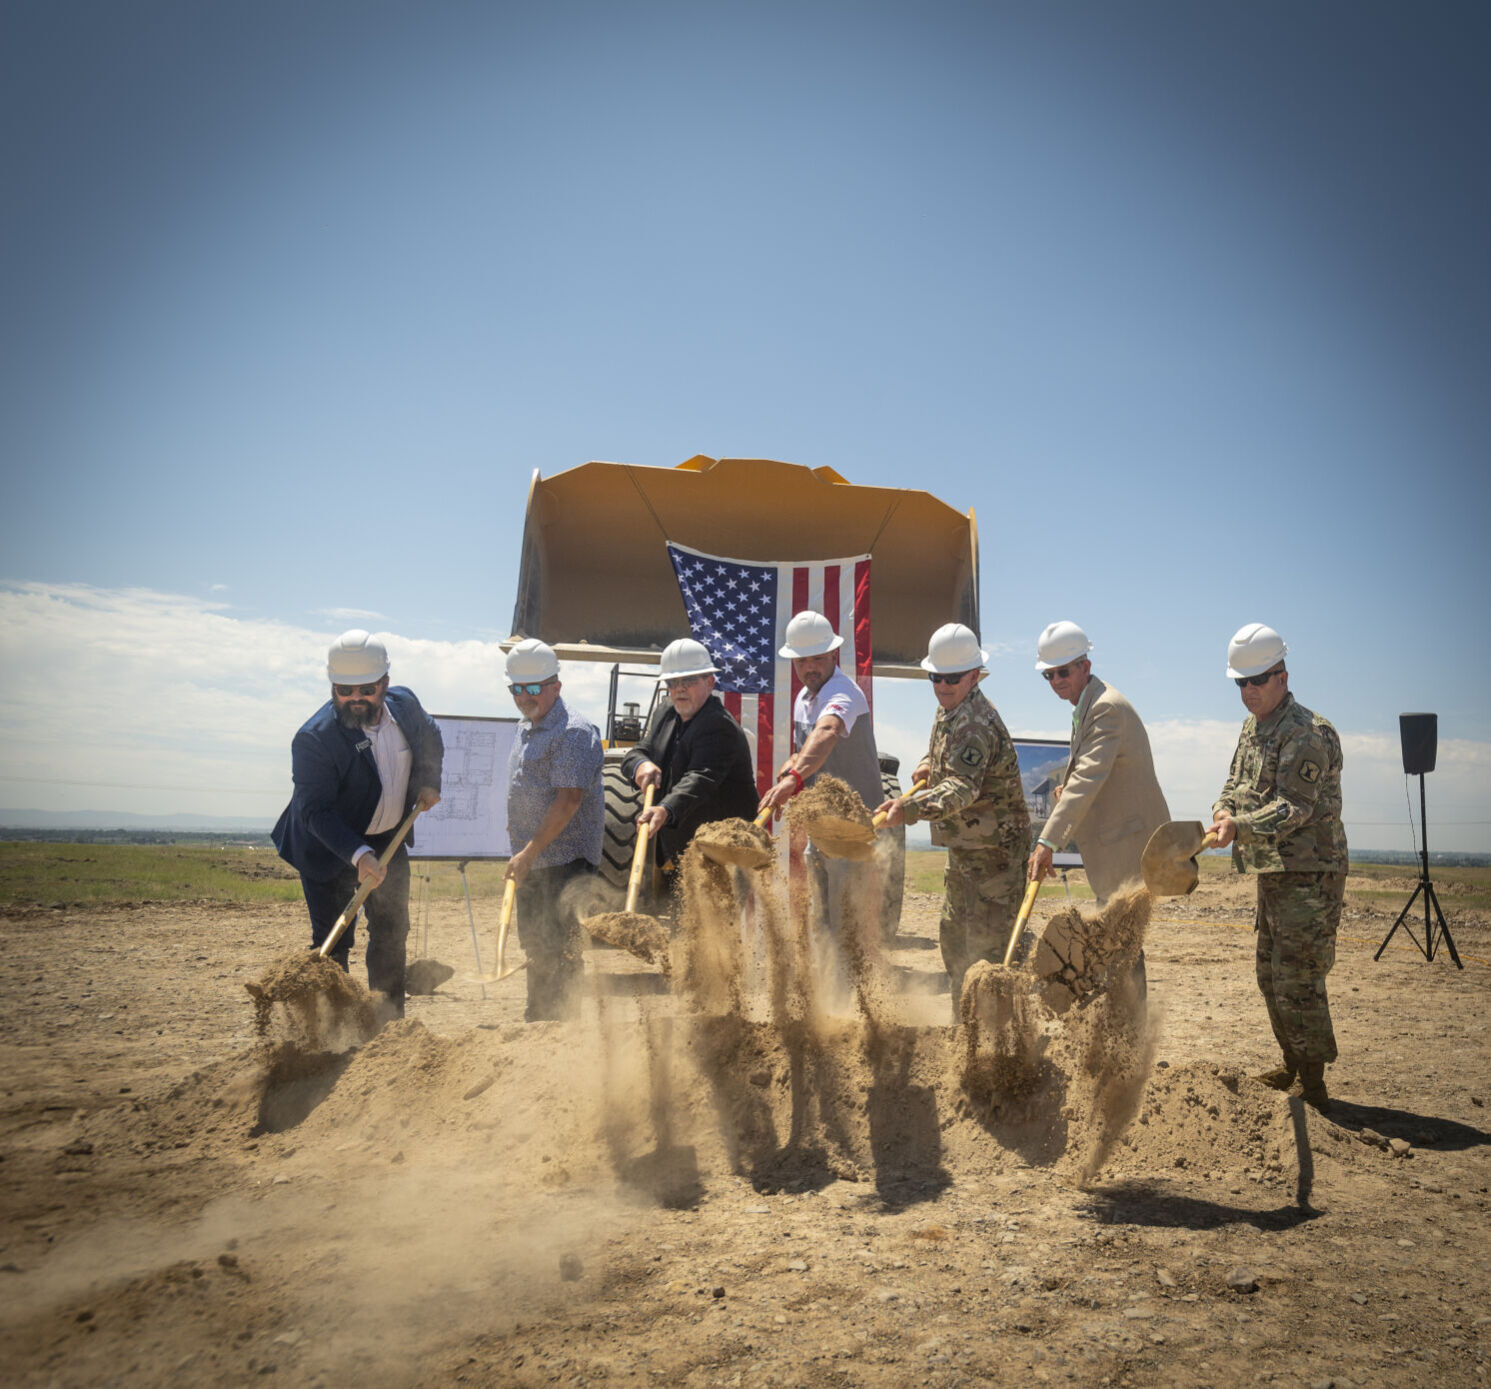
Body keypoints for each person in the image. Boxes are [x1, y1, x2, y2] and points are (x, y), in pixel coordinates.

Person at [1209, 623, 1346, 1111]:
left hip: (1310, 875)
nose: (1248, 691)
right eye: (1240, 683)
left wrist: (1240, 827)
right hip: (1274, 870)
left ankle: (1314, 1083)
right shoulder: (1254, 728)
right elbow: (1234, 781)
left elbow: (1295, 807)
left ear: (1282, 677)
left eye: (1258, 680)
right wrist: (1224, 810)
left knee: (1299, 977)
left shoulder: (1309, 733)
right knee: (1270, 973)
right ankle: (1292, 1065)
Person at [273, 630, 443, 1019]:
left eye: (365, 689)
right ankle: (339, 1031)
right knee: (334, 942)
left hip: (389, 838)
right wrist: (359, 854)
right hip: (330, 848)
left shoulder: (406, 705)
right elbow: (314, 811)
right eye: (343, 690)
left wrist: (430, 780)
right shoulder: (314, 739)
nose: (354, 699)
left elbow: (431, 736)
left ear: (384, 683)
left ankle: (387, 1023)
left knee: (391, 929)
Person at [878, 623, 1029, 1018]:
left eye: (952, 678)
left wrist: (909, 809)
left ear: (974, 676)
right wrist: (929, 763)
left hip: (995, 858)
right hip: (965, 852)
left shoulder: (977, 724)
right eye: (935, 678)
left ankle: (998, 1045)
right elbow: (944, 753)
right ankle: (968, 1031)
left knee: (988, 956)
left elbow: (963, 788)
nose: (942, 686)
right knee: (954, 945)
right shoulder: (951, 709)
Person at [760, 610, 883, 978]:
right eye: (802, 660)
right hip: (822, 828)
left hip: (854, 829)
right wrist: (790, 769)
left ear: (834, 656)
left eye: (817, 658)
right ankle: (830, 991)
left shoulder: (843, 693)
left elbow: (828, 732)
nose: (809, 667)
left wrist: (793, 777)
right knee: (822, 916)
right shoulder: (804, 698)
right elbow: (806, 748)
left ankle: (857, 1000)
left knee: (849, 917)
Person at [1025, 621, 1170, 906]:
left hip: (1129, 852)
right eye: (1048, 675)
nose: (1055, 681)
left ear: (1085, 666)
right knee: (1116, 946)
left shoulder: (1106, 708)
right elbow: (1100, 772)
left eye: (1063, 671)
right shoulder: (1088, 706)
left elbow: (1087, 779)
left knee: (1119, 945)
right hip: (1118, 850)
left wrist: (1048, 841)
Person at [503, 639, 605, 1022]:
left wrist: (528, 851)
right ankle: (539, 1020)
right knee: (536, 945)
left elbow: (568, 802)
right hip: (532, 858)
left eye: (533, 688)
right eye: (517, 689)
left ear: (556, 687)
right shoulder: (525, 726)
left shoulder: (574, 732)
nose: (523, 697)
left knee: (561, 949)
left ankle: (561, 1031)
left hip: (565, 861)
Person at [621, 637, 758, 877]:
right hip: (681, 847)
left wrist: (664, 808)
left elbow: (700, 778)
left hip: (724, 851)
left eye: (689, 681)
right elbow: (638, 751)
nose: (679, 688)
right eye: (672, 682)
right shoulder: (666, 712)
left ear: (709, 682)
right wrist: (641, 764)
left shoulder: (718, 725)